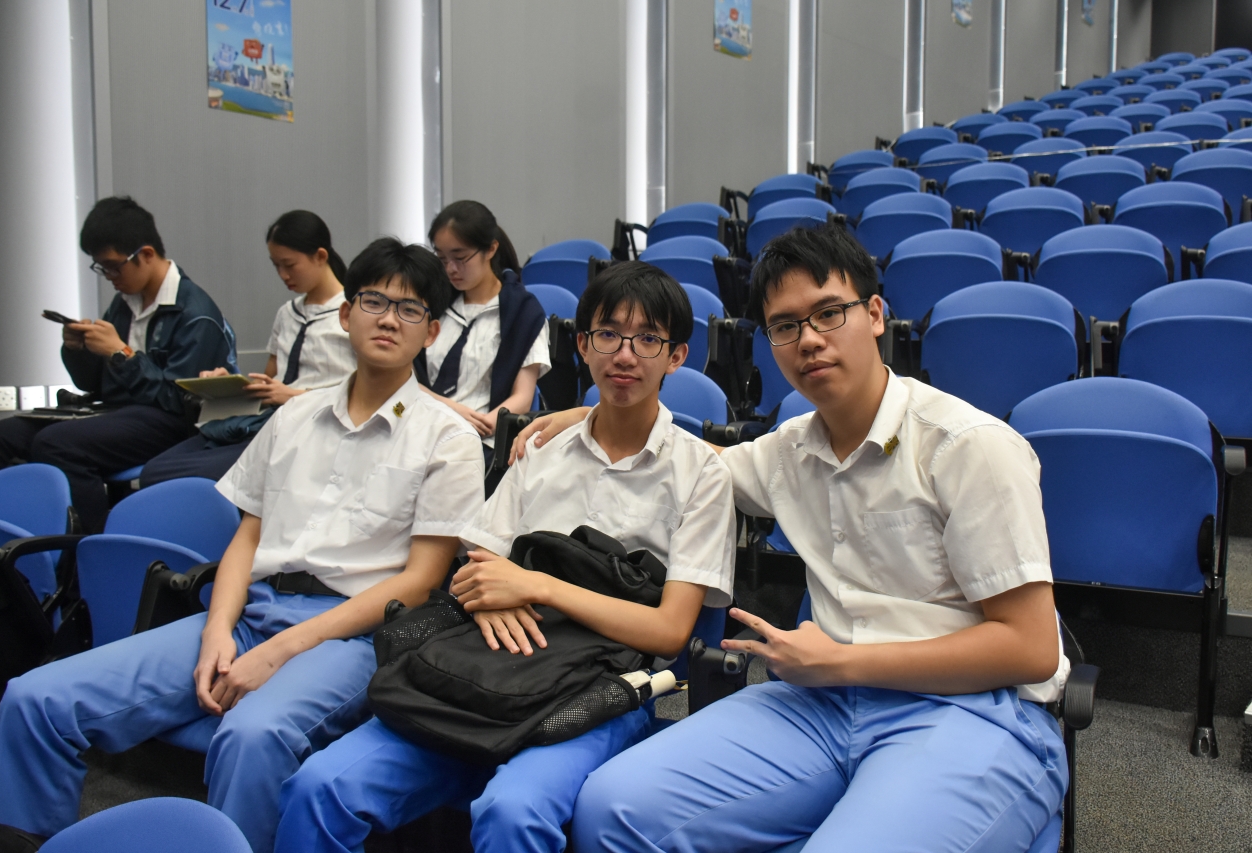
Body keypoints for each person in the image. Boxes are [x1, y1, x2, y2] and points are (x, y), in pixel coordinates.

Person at [521, 225, 1070, 852]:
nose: (808, 339)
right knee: (610, 809)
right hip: (824, 703)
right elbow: (688, 464)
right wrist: (595, 415)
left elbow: (1030, 648)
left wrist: (841, 662)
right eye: (785, 326)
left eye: (829, 313)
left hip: (972, 709)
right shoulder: (789, 450)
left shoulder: (969, 447)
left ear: (875, 315)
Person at [0, 239, 486, 853]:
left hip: (353, 635)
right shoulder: (294, 417)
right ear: (346, 314)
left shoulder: (447, 438)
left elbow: (420, 581)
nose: (388, 320)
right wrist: (219, 628)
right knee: (36, 699)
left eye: (409, 310)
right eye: (374, 301)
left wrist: (280, 651)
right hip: (250, 613)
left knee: (253, 736)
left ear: (431, 331)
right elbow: (247, 536)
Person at [273, 261, 736, 853]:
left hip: (602, 686)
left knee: (512, 811)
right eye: (608, 335)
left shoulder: (700, 474)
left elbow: (670, 631)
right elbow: (474, 567)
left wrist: (535, 586)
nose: (625, 355)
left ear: (677, 357)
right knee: (318, 786)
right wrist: (492, 598)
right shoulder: (541, 450)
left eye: (648, 339)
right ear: (582, 346)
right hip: (485, 666)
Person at [0, 196, 234, 532]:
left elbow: (177, 399)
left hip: (169, 422)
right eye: (100, 267)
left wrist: (121, 354)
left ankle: (86, 551)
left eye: (113, 266)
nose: (109, 276)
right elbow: (93, 384)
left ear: (146, 254)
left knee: (57, 444)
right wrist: (77, 350)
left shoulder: (196, 313)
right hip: (116, 413)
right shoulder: (125, 302)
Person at [140, 210, 355, 486]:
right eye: (276, 265)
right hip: (269, 422)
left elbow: (366, 396)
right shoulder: (287, 314)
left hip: (313, 427)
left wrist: (293, 395)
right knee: (155, 470)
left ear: (320, 256)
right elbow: (270, 381)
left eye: (289, 264)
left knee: (171, 476)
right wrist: (231, 385)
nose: (283, 275)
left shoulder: (352, 314)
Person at [418, 201, 549, 460]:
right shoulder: (430, 304)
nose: (450, 269)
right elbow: (403, 382)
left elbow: (522, 398)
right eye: (442, 258)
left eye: (460, 257)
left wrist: (476, 427)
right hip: (420, 424)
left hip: (481, 439)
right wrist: (449, 411)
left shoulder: (522, 311)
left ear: (490, 249)